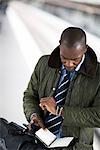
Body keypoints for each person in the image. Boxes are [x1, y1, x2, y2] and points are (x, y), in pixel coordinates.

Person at [23, 27, 100, 150]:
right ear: (59, 46)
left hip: (76, 146)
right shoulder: (44, 64)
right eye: (64, 58)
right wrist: (34, 115)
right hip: (39, 142)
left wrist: (60, 111)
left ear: (85, 49)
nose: (69, 64)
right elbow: (30, 95)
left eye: (75, 59)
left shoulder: (98, 76)